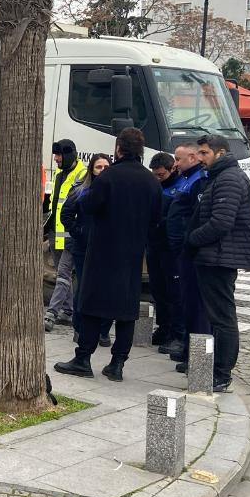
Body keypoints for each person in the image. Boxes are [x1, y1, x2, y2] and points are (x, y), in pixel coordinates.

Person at [54, 128, 161, 382]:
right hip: (132, 253)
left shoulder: (109, 176)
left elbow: (89, 205)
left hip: (102, 250)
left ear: (118, 149)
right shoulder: (151, 181)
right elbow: (156, 219)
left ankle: (83, 358)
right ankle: (117, 364)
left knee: (92, 306)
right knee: (126, 310)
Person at [187, 134, 250, 392]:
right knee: (219, 316)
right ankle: (217, 370)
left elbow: (221, 222)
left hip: (221, 257)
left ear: (220, 153)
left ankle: (221, 374)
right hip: (218, 255)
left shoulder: (228, 178)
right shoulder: (221, 176)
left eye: (204, 153)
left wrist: (192, 239)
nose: (200, 158)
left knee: (223, 318)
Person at [58, 154, 113, 348]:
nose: (103, 170)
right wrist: (78, 232)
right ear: (92, 169)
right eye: (99, 167)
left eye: (106, 167)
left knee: (107, 290)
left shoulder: (115, 191)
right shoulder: (81, 190)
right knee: (83, 288)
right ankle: (79, 328)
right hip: (84, 247)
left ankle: (103, 331)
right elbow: (66, 214)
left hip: (107, 248)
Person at [165, 142, 210, 369]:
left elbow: (194, 216)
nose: (175, 163)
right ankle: (187, 349)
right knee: (186, 302)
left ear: (192, 158)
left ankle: (195, 356)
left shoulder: (198, 180)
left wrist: (185, 242)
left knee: (195, 305)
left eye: (178, 159)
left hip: (189, 249)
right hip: (181, 248)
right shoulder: (186, 178)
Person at [43, 140, 87, 331]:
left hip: (71, 236)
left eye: (58, 155)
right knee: (63, 275)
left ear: (68, 155)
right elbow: (54, 204)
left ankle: (51, 314)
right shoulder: (59, 174)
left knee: (62, 274)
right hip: (56, 233)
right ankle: (68, 311)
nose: (55, 159)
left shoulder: (82, 174)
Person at [146, 151, 183, 355]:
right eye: (155, 174)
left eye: (161, 175)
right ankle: (163, 327)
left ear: (171, 170)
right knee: (158, 289)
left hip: (170, 247)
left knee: (174, 291)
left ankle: (176, 333)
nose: (158, 178)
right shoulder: (155, 186)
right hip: (154, 244)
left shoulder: (179, 187)